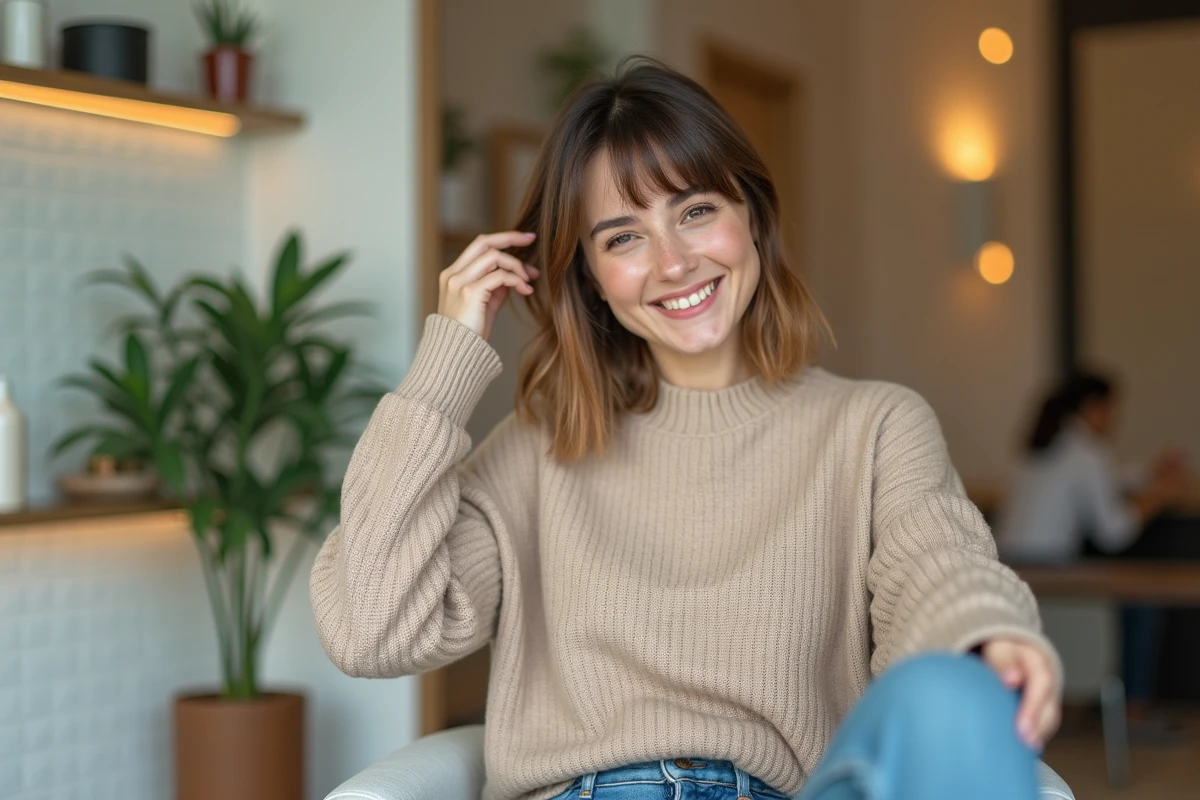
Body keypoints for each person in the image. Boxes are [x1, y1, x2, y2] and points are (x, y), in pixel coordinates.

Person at [311, 59, 1061, 800]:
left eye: (696, 210)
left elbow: (934, 566)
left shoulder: (875, 426)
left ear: (752, 218)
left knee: (953, 697)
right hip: (591, 793)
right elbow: (372, 630)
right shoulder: (538, 445)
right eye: (622, 238)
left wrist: (983, 638)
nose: (672, 263)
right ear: (591, 280)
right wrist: (446, 362)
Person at [996, 372, 1190, 735]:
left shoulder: (1042, 445)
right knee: (1141, 602)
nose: (1115, 418)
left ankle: (1074, 698)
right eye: (1112, 409)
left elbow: (1106, 481)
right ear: (1093, 408)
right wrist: (1161, 494)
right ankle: (1132, 708)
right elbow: (1114, 533)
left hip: (1008, 568)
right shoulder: (1088, 452)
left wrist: (1148, 474)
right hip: (1052, 572)